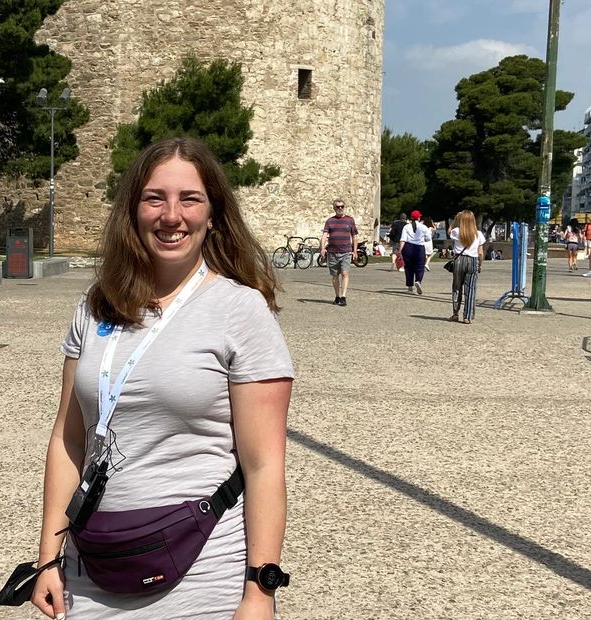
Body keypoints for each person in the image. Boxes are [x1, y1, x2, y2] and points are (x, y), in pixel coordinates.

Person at [31, 137, 294, 620]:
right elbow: (68, 440)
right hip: (94, 562)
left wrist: (260, 590)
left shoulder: (241, 311)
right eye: (155, 198)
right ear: (133, 211)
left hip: (200, 569)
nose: (171, 215)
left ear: (212, 214)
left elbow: (264, 466)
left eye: (189, 199)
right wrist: (48, 556)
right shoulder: (96, 307)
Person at [449, 210, 486, 324]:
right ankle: (467, 316)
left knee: (457, 287)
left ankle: (455, 313)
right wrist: (480, 264)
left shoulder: (456, 232)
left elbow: (449, 230)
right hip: (472, 260)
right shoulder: (478, 234)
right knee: (470, 290)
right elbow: (480, 252)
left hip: (459, 260)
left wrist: (456, 219)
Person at [319, 198, 358, 306]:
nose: (340, 208)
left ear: (344, 207)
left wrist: (355, 251)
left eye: (342, 206)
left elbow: (354, 236)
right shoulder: (330, 221)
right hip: (332, 252)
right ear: (334, 208)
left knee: (345, 273)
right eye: (338, 207)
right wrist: (322, 248)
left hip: (346, 251)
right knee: (335, 275)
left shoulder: (350, 220)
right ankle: (337, 296)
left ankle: (343, 296)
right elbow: (324, 235)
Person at [398, 210, 430, 295]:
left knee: (408, 268)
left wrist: (400, 251)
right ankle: (418, 281)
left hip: (408, 247)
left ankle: (410, 286)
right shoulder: (423, 227)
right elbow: (428, 238)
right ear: (419, 218)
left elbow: (403, 239)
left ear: (411, 217)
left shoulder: (406, 227)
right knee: (420, 266)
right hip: (419, 248)